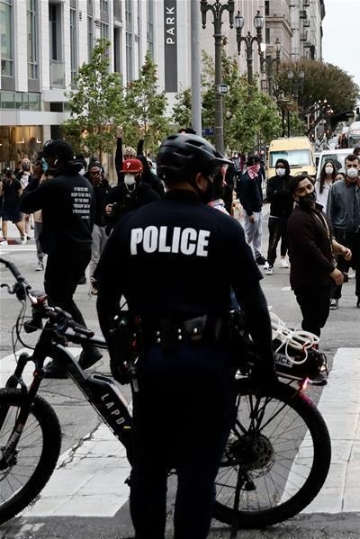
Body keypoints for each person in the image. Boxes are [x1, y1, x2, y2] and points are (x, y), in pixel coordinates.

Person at [93, 133, 278, 539]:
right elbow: (254, 304)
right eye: (212, 175)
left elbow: (105, 299)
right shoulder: (223, 228)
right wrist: (264, 363)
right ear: (198, 178)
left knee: (149, 470)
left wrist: (117, 351)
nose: (216, 181)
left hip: (154, 366)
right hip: (208, 366)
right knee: (197, 475)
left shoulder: (131, 225)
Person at [19, 139, 103, 377]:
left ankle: (66, 356)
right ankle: (84, 349)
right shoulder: (85, 184)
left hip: (63, 249)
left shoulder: (55, 185)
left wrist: (36, 177)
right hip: (81, 248)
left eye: (47, 159)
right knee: (64, 301)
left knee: (57, 304)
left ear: (56, 160)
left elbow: (26, 204)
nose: (43, 162)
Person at [287, 174, 351, 336]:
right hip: (308, 280)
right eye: (301, 190)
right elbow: (309, 250)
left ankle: (309, 346)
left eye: (309, 187)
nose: (307, 192)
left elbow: (327, 238)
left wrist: (340, 248)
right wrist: (332, 270)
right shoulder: (298, 218)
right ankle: (307, 349)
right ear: (295, 196)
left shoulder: (317, 211)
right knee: (312, 323)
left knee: (319, 319)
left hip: (321, 279)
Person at [327, 153, 360, 310]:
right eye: (349, 166)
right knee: (340, 266)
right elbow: (330, 213)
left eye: (354, 165)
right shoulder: (336, 188)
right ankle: (334, 297)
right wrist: (331, 236)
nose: (352, 168)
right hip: (342, 233)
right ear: (344, 167)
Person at [237, 155, 267, 268]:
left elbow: (258, 192)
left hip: (258, 208)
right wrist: (249, 213)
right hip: (252, 210)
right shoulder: (246, 178)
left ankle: (257, 255)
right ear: (254, 163)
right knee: (249, 234)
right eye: (258, 163)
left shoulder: (255, 176)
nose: (259, 166)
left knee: (258, 233)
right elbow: (244, 198)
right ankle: (240, 255)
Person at [265, 158, 294, 274]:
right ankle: (270, 263)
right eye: (277, 167)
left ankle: (286, 259)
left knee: (288, 240)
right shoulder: (272, 181)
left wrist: (278, 193)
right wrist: (283, 193)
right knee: (273, 241)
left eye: (282, 167)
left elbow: (293, 195)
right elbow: (270, 196)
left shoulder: (291, 180)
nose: (279, 169)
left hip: (288, 215)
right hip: (275, 216)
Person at [87, 162, 111, 295]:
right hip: (94, 224)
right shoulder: (88, 185)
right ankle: (94, 283)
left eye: (98, 172)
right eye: (93, 173)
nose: (96, 175)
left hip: (105, 223)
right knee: (95, 256)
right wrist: (94, 186)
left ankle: (104, 281)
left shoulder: (106, 186)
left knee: (105, 255)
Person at [0, 168, 28, 244]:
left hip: (15, 205)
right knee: (4, 221)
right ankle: (5, 239)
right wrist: (1, 186)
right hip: (6, 205)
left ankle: (23, 234)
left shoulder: (16, 182)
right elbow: (1, 194)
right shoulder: (3, 182)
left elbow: (20, 193)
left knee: (17, 222)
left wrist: (20, 202)